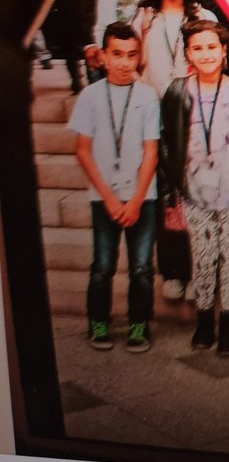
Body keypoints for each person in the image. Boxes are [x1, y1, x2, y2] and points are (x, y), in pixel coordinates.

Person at [160, 21, 229, 357]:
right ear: (188, 54)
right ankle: (204, 320)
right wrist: (173, 194)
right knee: (202, 256)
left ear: (224, 51)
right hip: (194, 189)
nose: (206, 54)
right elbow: (167, 144)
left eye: (212, 47)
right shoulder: (177, 91)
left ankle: (228, 323)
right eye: (197, 48)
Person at [68, 22, 159, 354]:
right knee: (103, 265)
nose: (124, 62)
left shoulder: (147, 95)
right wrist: (108, 196)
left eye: (131, 55)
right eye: (116, 55)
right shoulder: (91, 96)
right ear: (103, 56)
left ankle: (139, 322)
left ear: (139, 57)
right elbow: (82, 149)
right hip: (103, 197)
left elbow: (151, 151)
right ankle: (98, 320)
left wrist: (135, 200)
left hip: (141, 197)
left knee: (141, 266)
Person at [133, 0, 217, 304]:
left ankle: (203, 270)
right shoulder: (144, 18)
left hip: (194, 115)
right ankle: (172, 271)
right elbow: (133, 65)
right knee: (167, 197)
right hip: (156, 116)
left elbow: (214, 63)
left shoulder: (203, 14)